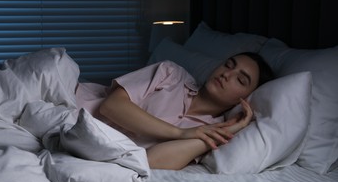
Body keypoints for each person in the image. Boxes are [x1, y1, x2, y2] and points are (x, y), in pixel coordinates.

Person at [74, 52, 274, 170]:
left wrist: (231, 129)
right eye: (228, 65)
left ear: (246, 98)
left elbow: (152, 162)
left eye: (240, 80)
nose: (227, 74)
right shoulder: (171, 73)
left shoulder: (207, 132)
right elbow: (111, 106)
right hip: (69, 101)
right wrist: (180, 133)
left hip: (79, 140)